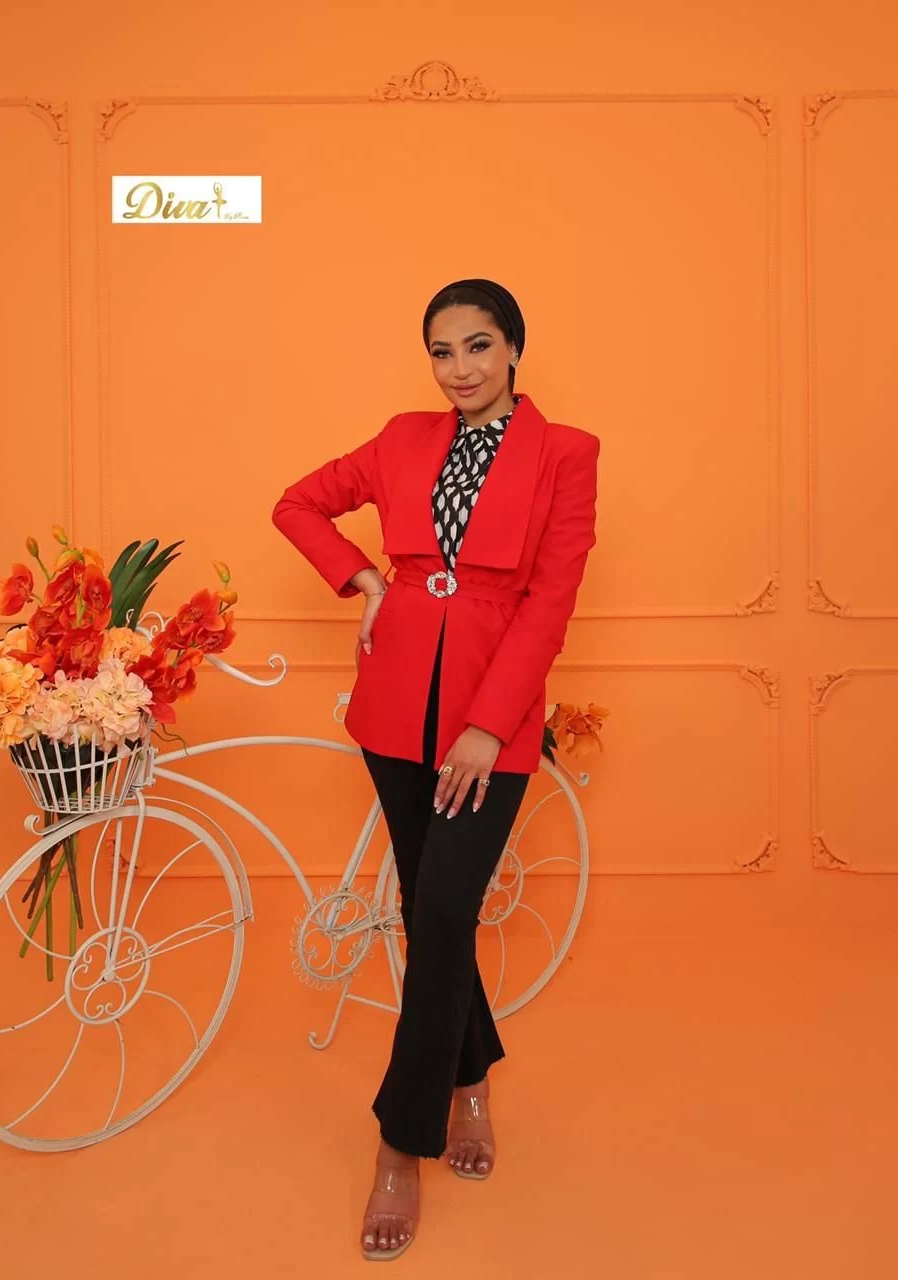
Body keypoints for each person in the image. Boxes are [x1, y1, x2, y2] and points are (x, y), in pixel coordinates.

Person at [271, 278, 600, 1261]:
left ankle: (398, 1142)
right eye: (441, 351)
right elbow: (296, 504)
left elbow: (551, 600)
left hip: (489, 717)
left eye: (478, 345)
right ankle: (471, 1081)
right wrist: (364, 576)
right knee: (432, 914)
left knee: (445, 911)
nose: (459, 369)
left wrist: (487, 727)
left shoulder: (565, 453)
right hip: (391, 705)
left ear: (513, 348)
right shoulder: (401, 438)